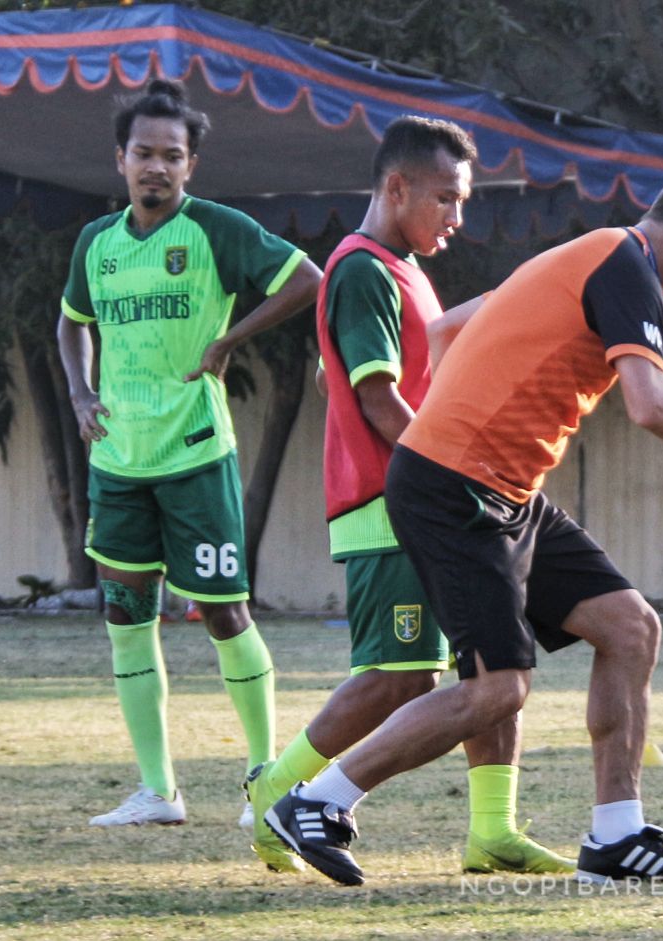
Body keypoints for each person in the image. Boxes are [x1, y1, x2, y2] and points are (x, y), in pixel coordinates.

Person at [265, 168, 663, 887]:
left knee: (631, 628)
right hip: (452, 486)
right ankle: (316, 801)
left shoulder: (598, 259)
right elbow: (652, 407)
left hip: (503, 488)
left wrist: (475, 396)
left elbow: (445, 329)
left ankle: (616, 839)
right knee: (498, 689)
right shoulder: (624, 264)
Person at [243, 115, 571, 877]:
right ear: (397, 188)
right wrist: (451, 470)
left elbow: (352, 373)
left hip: (429, 500)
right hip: (390, 506)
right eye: (447, 199)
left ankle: (493, 831)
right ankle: (276, 794)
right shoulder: (360, 268)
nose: (459, 216)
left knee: (488, 662)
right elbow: (379, 398)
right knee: (401, 676)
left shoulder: (401, 271)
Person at [57, 79, 321, 827]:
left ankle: (265, 778)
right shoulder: (96, 244)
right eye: (144, 153)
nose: (157, 167)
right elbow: (70, 321)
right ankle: (157, 790)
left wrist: (231, 338)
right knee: (126, 613)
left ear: (190, 167)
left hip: (197, 456)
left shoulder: (216, 229)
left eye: (172, 156)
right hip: (118, 461)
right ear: (121, 159)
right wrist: (79, 391)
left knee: (223, 613)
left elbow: (307, 279)